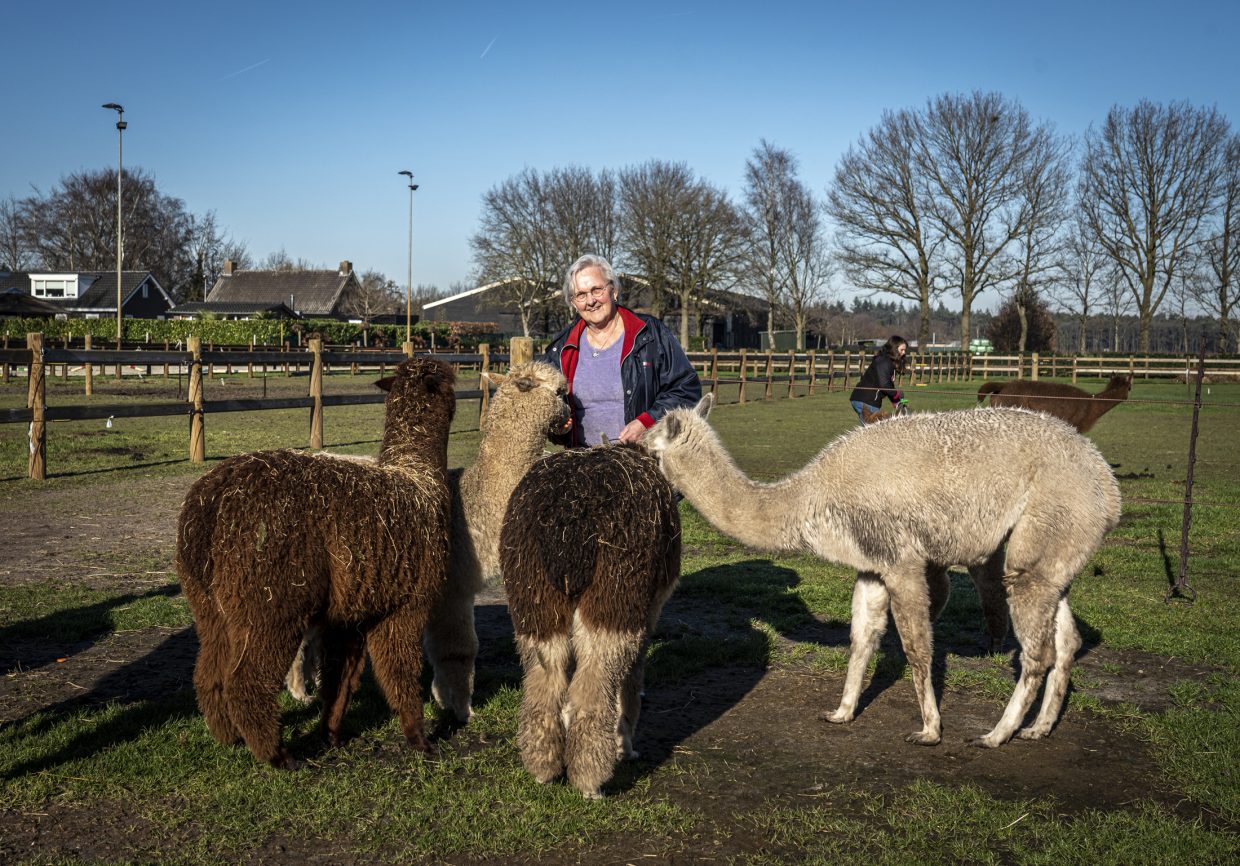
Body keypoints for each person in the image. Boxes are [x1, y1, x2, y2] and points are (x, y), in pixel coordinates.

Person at [545, 254, 701, 447]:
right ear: (574, 303)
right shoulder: (561, 349)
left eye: (597, 290)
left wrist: (647, 422)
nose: (591, 301)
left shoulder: (650, 334)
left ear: (614, 291)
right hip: (582, 465)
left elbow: (686, 390)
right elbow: (547, 408)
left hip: (641, 459)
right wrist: (560, 427)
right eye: (581, 295)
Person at [849, 335, 908, 423]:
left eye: (904, 350)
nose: (903, 353)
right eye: (901, 350)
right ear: (894, 349)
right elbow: (884, 385)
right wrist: (896, 394)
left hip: (867, 400)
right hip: (867, 400)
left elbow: (888, 384)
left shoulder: (888, 362)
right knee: (873, 432)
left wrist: (897, 401)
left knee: (871, 431)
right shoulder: (883, 362)